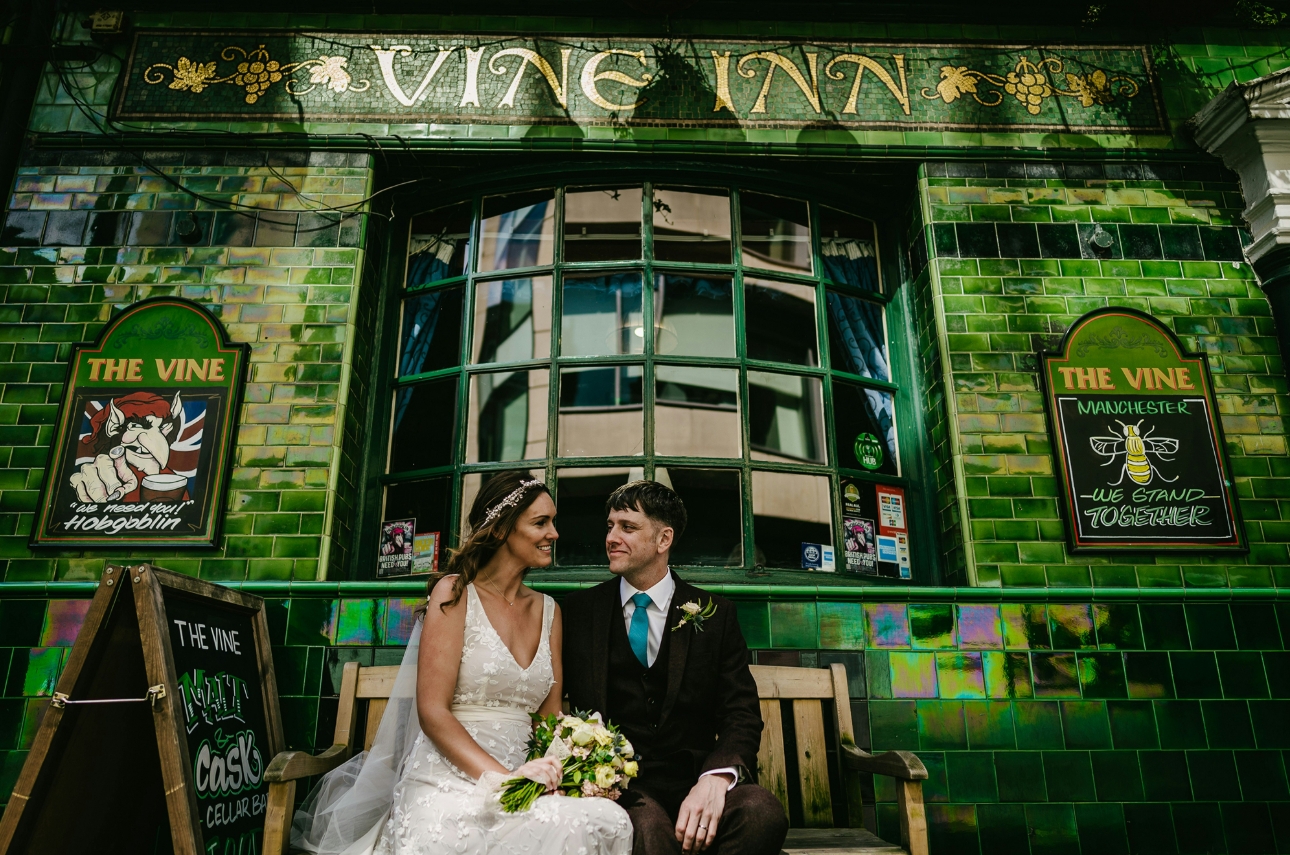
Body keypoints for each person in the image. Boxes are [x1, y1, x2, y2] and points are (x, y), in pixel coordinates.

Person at [292, 472, 633, 855]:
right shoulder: (453, 594)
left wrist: (568, 770)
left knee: (608, 819)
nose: (554, 533)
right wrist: (505, 780)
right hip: (447, 779)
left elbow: (548, 720)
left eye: (552, 522)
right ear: (503, 529)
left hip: (526, 777)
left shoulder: (549, 611)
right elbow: (432, 711)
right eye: (541, 522)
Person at [562, 481, 788, 855]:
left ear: (663, 539)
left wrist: (716, 779)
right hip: (622, 788)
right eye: (610, 525)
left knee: (762, 814)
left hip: (695, 777)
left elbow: (740, 713)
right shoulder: (578, 613)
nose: (611, 537)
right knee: (648, 832)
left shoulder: (715, 615)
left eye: (627, 527)